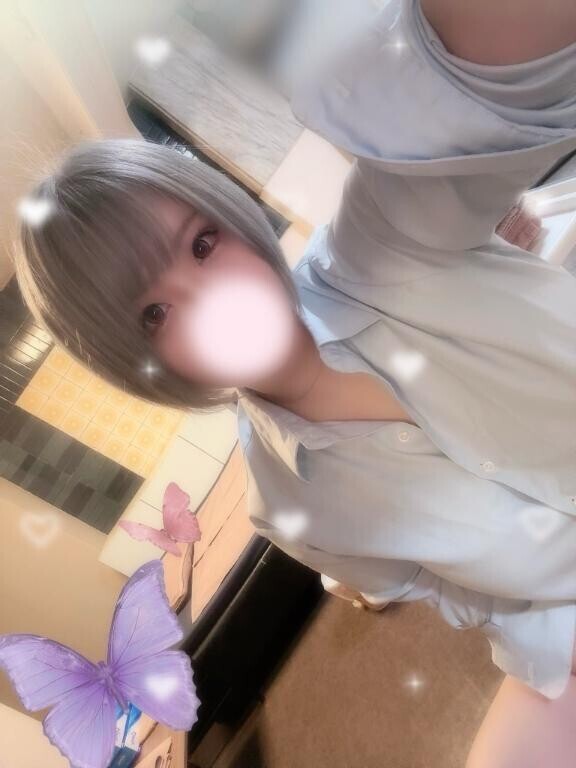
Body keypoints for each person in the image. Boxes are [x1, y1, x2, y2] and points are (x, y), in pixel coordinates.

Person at [11, 0, 576, 763]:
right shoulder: (289, 508)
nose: (211, 300)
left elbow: (481, 84)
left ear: (234, 219)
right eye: (153, 313)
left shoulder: (389, 242)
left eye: (202, 243)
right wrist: (543, 633)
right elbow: (441, 587)